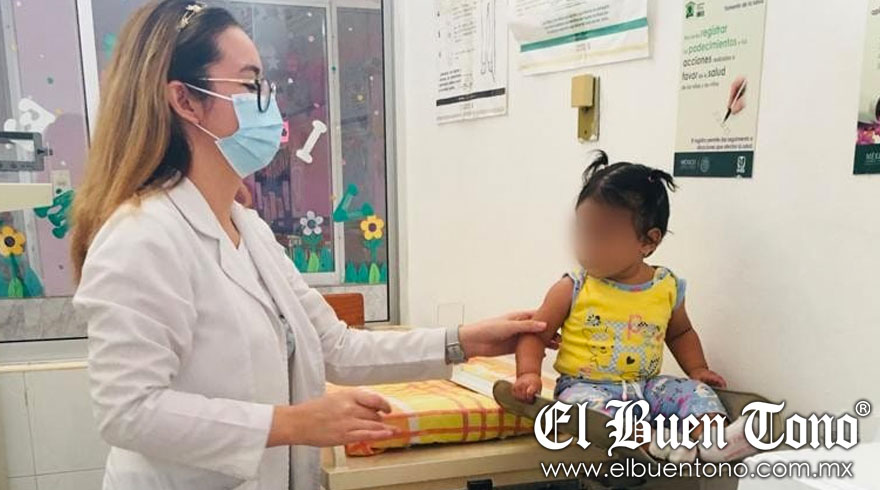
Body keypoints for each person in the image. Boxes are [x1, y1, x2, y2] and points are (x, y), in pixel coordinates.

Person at [69, 2, 546, 489]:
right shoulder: (142, 237)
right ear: (186, 101)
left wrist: (465, 341)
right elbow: (127, 410)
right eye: (251, 85)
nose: (269, 102)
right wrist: (293, 423)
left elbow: (334, 346)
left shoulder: (247, 229)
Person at [512, 151, 758, 463]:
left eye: (603, 236)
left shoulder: (666, 286)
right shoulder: (573, 287)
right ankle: (654, 442)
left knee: (695, 393)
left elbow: (680, 333)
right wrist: (529, 373)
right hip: (585, 388)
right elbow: (534, 333)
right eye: (584, 232)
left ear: (648, 242)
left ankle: (713, 439)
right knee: (592, 412)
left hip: (647, 386)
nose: (588, 247)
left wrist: (697, 368)